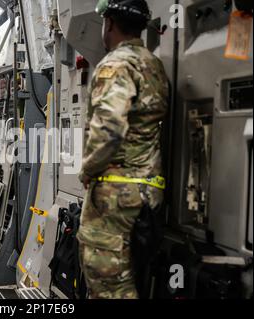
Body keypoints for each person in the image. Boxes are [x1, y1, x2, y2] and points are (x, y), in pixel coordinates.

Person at [77, 0, 170, 299]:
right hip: (147, 194)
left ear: (110, 23)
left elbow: (109, 130)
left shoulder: (116, 64)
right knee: (133, 282)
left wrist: (88, 169)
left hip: (115, 196)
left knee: (108, 287)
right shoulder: (153, 64)